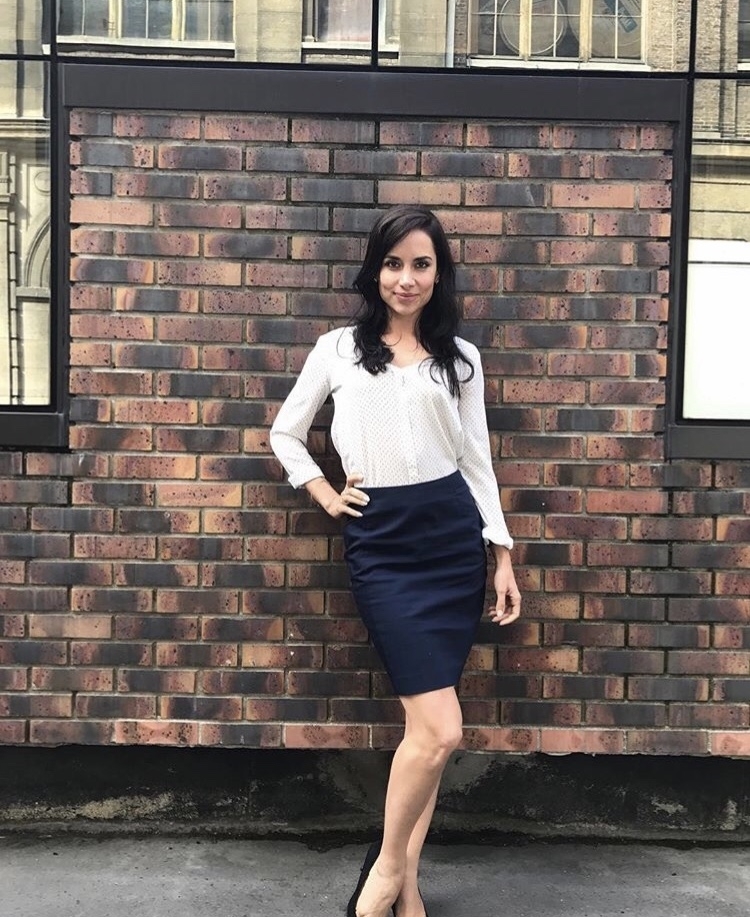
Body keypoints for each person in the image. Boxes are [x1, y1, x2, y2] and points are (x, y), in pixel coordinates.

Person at [270, 205, 521, 917]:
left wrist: (501, 552)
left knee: (426, 735)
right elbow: (285, 433)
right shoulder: (337, 351)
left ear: (438, 275)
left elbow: (476, 459)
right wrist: (324, 493)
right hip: (381, 541)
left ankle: (406, 889)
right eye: (393, 263)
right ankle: (384, 871)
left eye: (421, 264)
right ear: (374, 271)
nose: (406, 278)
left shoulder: (460, 358)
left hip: (451, 540)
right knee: (442, 729)